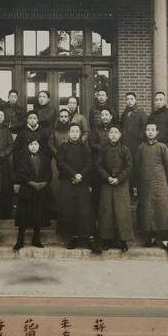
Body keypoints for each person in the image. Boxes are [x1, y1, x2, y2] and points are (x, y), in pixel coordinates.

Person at [57, 123, 101, 254]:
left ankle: (90, 238)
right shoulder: (62, 147)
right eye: (72, 131)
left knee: (85, 210)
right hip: (67, 181)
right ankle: (73, 237)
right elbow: (61, 163)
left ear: (80, 133)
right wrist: (73, 174)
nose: (75, 133)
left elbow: (89, 163)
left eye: (77, 131)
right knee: (69, 209)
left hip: (82, 182)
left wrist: (80, 175)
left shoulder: (85, 148)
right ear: (68, 133)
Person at [136, 122, 168, 252]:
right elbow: (138, 165)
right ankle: (150, 236)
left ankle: (164, 237)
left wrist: (162, 178)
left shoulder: (162, 147)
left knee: (162, 208)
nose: (150, 132)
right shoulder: (141, 148)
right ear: (145, 132)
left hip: (160, 182)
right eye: (148, 130)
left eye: (153, 130)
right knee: (147, 209)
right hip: (145, 184)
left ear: (157, 132)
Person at [96, 124, 133, 252]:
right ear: (108, 135)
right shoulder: (103, 149)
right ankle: (107, 240)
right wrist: (107, 177)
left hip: (121, 184)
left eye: (116, 132)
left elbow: (129, 166)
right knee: (107, 211)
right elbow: (99, 165)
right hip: (107, 183)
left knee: (122, 211)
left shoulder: (125, 149)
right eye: (111, 132)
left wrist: (119, 178)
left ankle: (123, 241)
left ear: (120, 135)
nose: (113, 134)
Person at [14, 139, 54, 251]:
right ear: (27, 146)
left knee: (38, 216)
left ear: (39, 146)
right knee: (23, 216)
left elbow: (49, 174)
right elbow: (21, 173)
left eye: (36, 144)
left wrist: (43, 184)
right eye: (31, 144)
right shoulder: (22, 159)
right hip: (27, 191)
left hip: (40, 191)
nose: (33, 146)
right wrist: (32, 183)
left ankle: (36, 239)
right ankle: (20, 240)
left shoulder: (45, 159)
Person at [89, 108, 114, 212]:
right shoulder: (96, 129)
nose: (104, 117)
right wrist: (101, 148)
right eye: (102, 115)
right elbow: (92, 143)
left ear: (111, 117)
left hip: (112, 161)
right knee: (97, 188)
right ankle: (95, 212)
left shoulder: (115, 128)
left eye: (106, 115)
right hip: (98, 161)